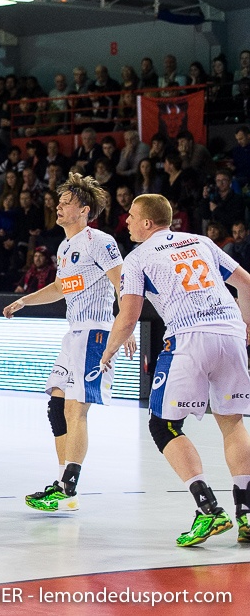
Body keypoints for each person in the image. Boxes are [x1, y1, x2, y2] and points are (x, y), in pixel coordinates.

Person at [100, 194, 250, 547]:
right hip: (230, 334)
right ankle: (246, 515)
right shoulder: (201, 242)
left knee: (163, 425)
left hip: (188, 338)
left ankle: (208, 509)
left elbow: (129, 315)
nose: (127, 221)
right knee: (232, 422)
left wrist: (108, 351)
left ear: (148, 223)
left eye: (132, 216)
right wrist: (246, 324)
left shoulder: (138, 258)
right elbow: (245, 282)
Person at [3, 173, 134, 512]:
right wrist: (24, 301)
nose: (58, 207)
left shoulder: (99, 241)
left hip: (96, 333)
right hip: (73, 334)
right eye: (59, 202)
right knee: (57, 407)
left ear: (84, 210)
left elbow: (122, 283)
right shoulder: (64, 247)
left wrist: (127, 326)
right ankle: (63, 485)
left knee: (77, 409)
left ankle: (68, 486)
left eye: (66, 203)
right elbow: (62, 288)